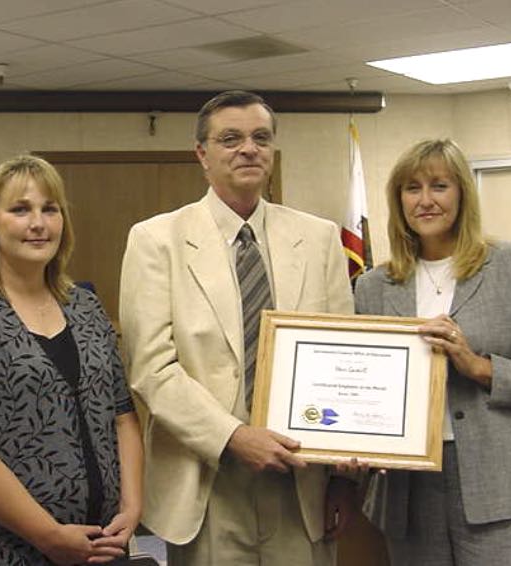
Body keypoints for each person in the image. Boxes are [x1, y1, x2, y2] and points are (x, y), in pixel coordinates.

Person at [119, 90, 356, 565]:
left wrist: (345, 479)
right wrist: (234, 437)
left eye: (260, 138)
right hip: (207, 482)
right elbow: (151, 370)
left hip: (302, 482)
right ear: (202, 155)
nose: (248, 148)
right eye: (231, 139)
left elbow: (340, 361)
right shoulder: (155, 239)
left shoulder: (319, 239)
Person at [0, 155, 144, 565]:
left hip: (101, 545)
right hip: (4, 549)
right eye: (20, 209)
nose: (38, 223)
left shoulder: (86, 306)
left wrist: (132, 509)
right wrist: (49, 536)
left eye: (50, 208)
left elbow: (122, 416)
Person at [355, 139, 511, 566]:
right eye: (412, 188)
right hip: (406, 487)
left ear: (462, 194)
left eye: (439, 186)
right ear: (399, 201)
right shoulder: (373, 286)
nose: (426, 200)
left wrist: (479, 367)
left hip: (499, 483)